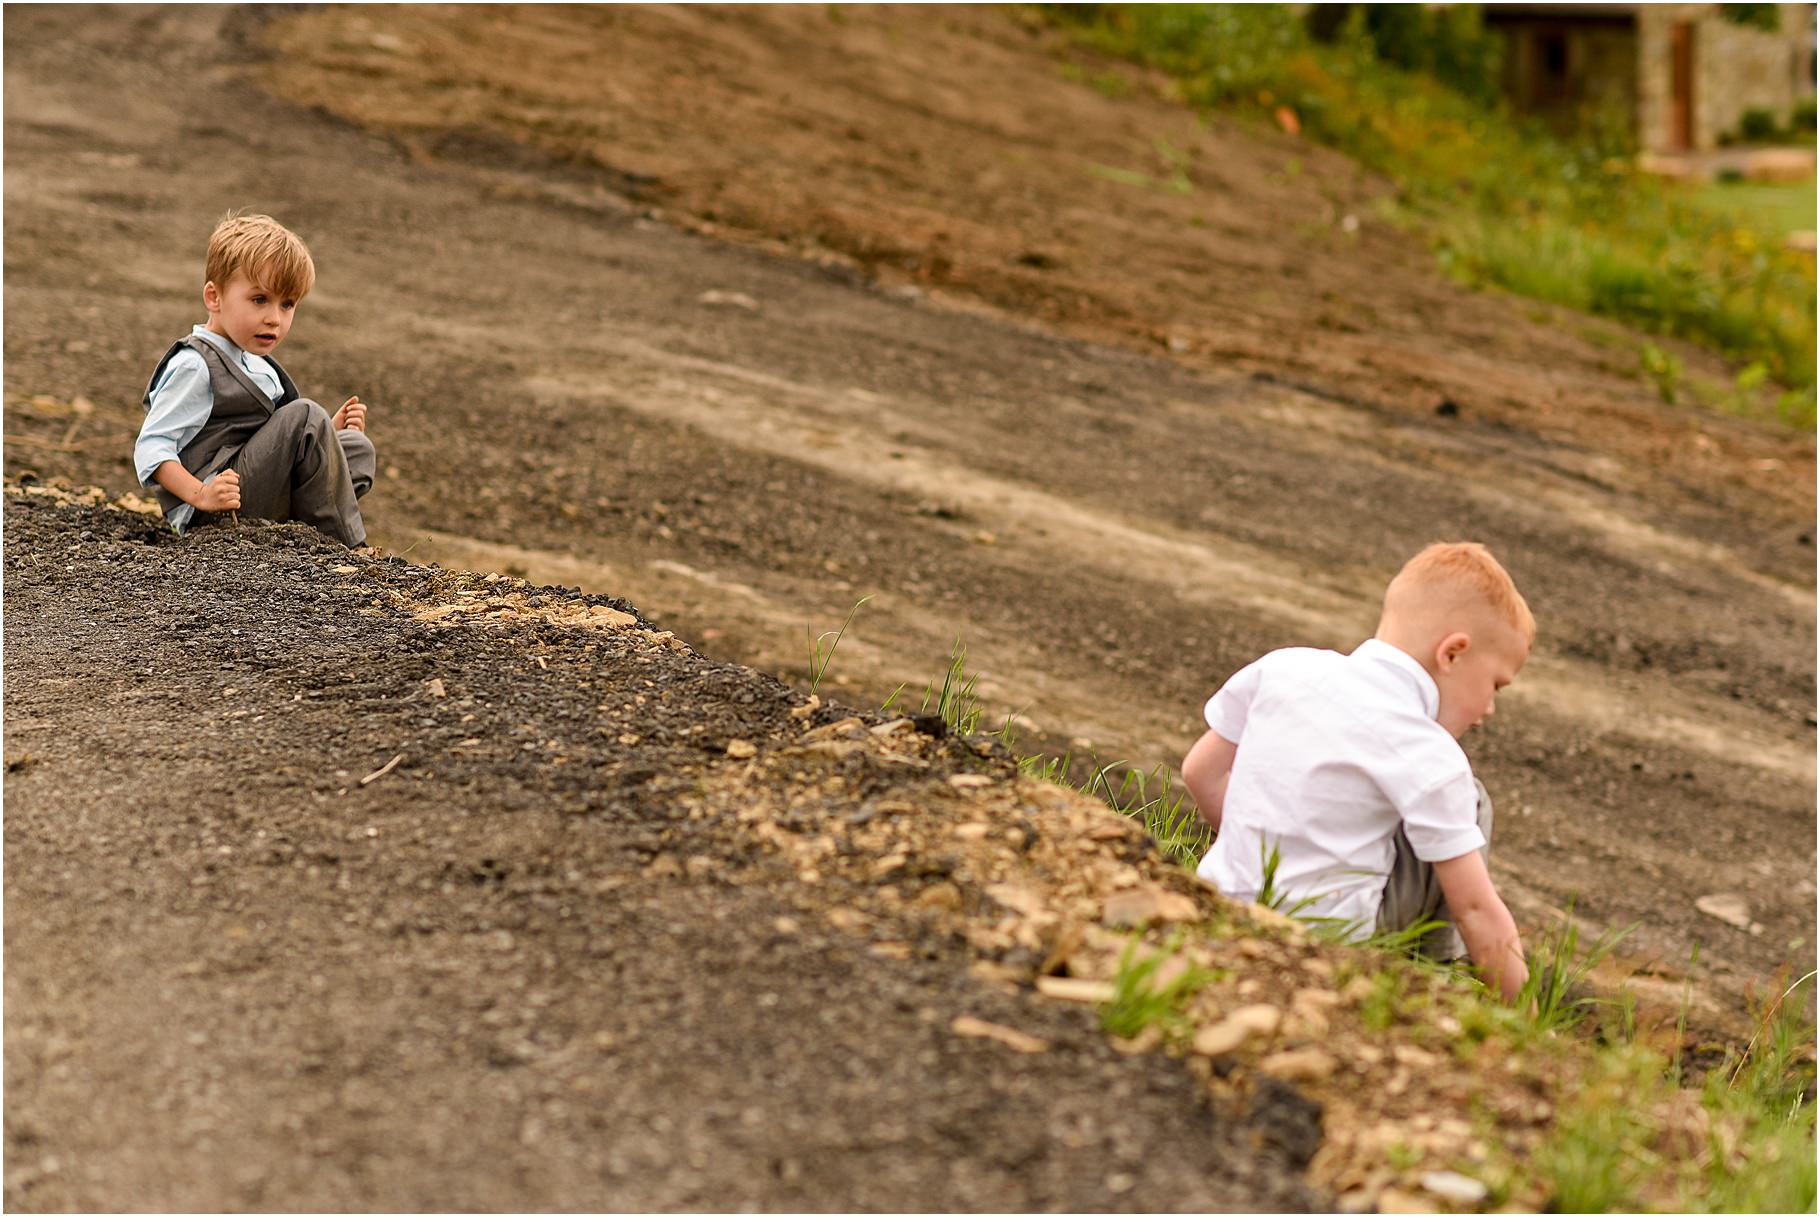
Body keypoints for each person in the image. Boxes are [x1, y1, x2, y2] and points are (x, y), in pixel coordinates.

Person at [1180, 541, 1533, 1001]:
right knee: (1470, 797)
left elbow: (1198, 772)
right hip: (1331, 945)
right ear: (1452, 654)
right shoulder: (1429, 752)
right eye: (1495, 686)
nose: (1487, 710)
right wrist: (1526, 1015)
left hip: (1224, 903)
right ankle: (1431, 976)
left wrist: (1267, 852)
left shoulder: (1283, 667)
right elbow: (1475, 909)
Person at [133, 212, 375, 547]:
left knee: (357, 449)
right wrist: (202, 494)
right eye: (259, 299)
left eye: (287, 304)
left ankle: (305, 538)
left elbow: (272, 439)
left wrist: (325, 435)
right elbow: (151, 448)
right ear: (213, 297)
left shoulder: (256, 362)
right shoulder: (196, 364)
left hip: (255, 489)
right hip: (216, 509)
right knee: (305, 415)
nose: (274, 318)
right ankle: (348, 549)